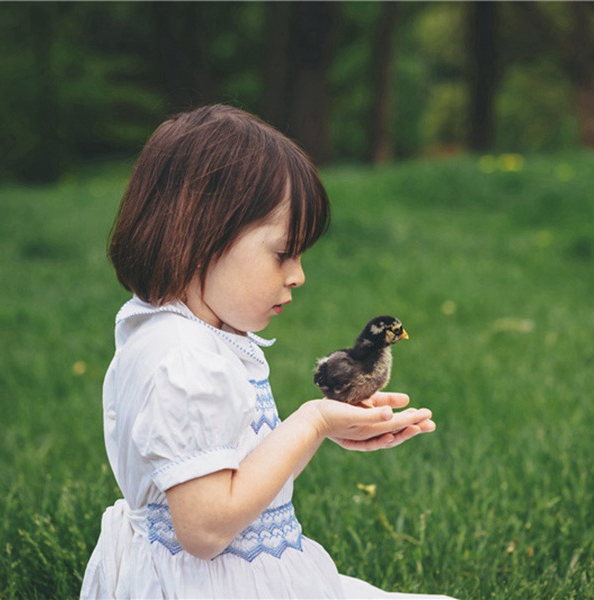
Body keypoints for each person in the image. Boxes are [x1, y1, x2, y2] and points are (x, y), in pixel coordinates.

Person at [81, 105, 449, 599]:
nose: (297, 275)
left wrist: (327, 427)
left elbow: (238, 477)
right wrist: (310, 421)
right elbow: (207, 530)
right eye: (283, 253)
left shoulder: (192, 337)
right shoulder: (184, 360)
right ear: (199, 237)